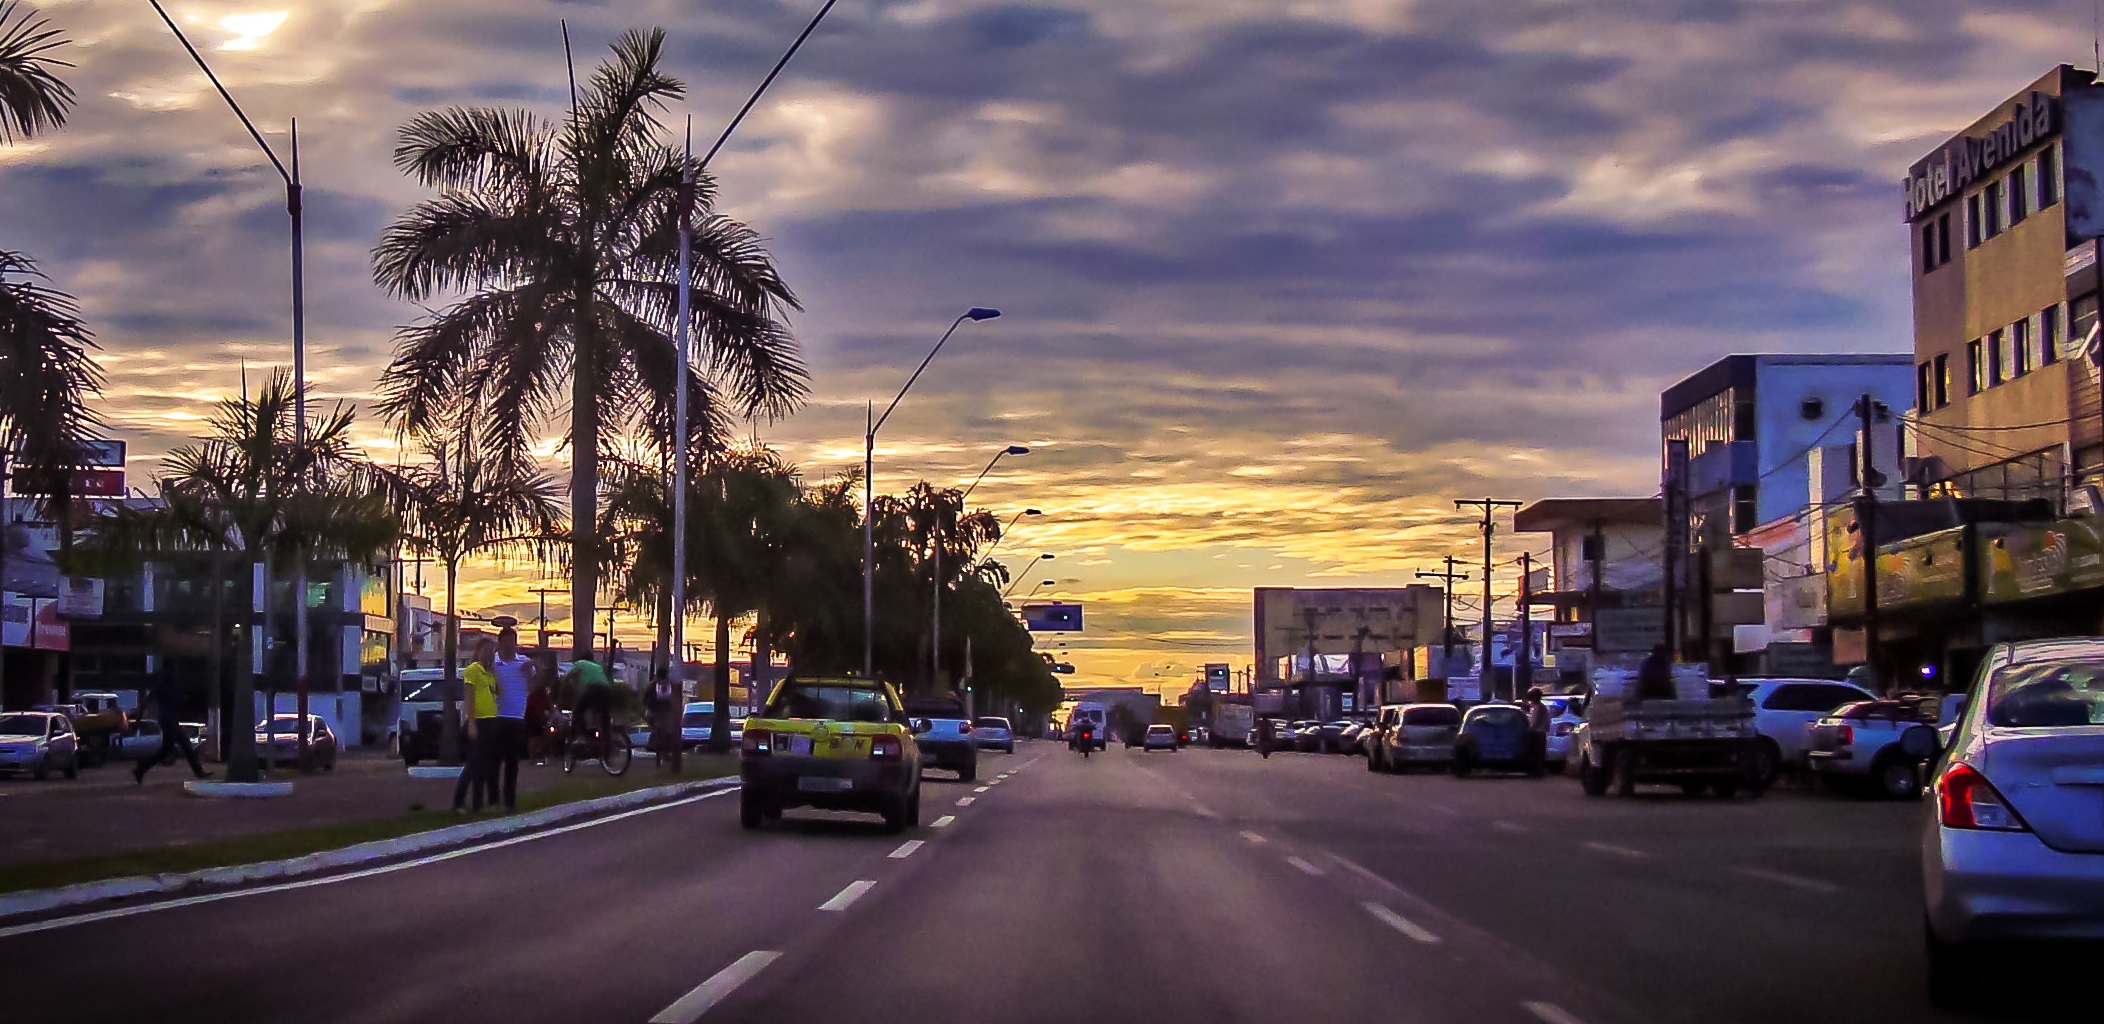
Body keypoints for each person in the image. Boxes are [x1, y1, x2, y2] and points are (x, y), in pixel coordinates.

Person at [487, 626, 536, 813]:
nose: (510, 645)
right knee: (494, 761)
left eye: (512, 641)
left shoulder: (523, 662)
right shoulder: (492, 664)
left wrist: (536, 667)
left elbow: (536, 683)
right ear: (500, 643)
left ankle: (509, 801)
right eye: (505, 641)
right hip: (497, 717)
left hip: (516, 718)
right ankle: (493, 799)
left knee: (512, 762)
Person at [452, 637, 501, 814]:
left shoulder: (488, 672)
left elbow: (497, 691)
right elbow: (469, 697)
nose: (489, 655)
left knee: (485, 764)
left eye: (492, 652)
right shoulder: (473, 671)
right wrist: (471, 722)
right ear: (478, 651)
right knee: (474, 764)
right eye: (486, 651)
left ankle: (479, 803)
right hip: (478, 721)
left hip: (490, 720)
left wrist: (494, 671)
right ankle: (462, 802)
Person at [133, 672, 210, 784]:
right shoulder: (164, 687)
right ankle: (198, 772)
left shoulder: (167, 688)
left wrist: (138, 719)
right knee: (185, 745)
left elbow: (146, 702)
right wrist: (138, 720)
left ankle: (141, 768)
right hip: (169, 722)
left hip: (169, 721)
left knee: (166, 750)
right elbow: (146, 702)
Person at [566, 656, 614, 743]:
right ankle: (607, 747)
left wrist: (563, 684)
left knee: (577, 710)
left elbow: (569, 676)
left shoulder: (577, 664)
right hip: (607, 690)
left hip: (594, 688)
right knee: (604, 716)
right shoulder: (597, 666)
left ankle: (573, 735)